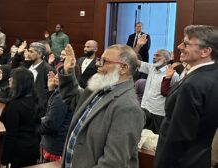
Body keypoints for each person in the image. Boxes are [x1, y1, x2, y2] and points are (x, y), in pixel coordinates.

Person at [58, 44, 145, 167]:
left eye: (105, 61)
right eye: (100, 60)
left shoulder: (128, 108)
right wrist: (68, 71)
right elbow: (74, 99)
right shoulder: (101, 88)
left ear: (123, 68)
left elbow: (113, 163)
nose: (98, 64)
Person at [154, 25, 218, 168]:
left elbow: (179, 137)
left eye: (186, 43)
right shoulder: (212, 74)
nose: (179, 46)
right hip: (199, 159)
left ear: (205, 51)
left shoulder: (193, 83)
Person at [0, 67, 40, 168]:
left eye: (12, 78)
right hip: (33, 146)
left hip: (18, 150)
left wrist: (4, 160)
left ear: (19, 82)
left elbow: (11, 135)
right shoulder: (35, 100)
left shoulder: (14, 105)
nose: (9, 79)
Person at [136, 49, 179, 134]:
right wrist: (139, 46)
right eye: (154, 55)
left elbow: (176, 95)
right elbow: (134, 60)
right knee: (142, 137)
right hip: (145, 109)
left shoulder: (174, 75)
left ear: (166, 59)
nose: (154, 57)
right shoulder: (151, 68)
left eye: (157, 55)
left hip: (159, 114)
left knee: (156, 141)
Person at [37, 72, 73, 162]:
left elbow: (50, 124)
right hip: (55, 145)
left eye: (61, 74)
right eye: (57, 73)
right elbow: (48, 112)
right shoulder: (61, 93)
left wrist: (33, 126)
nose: (56, 76)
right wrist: (51, 89)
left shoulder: (61, 97)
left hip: (55, 148)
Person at [27, 42, 56, 115]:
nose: (28, 54)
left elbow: (49, 93)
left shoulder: (48, 69)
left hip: (37, 110)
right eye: (28, 51)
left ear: (40, 54)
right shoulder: (27, 65)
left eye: (31, 52)